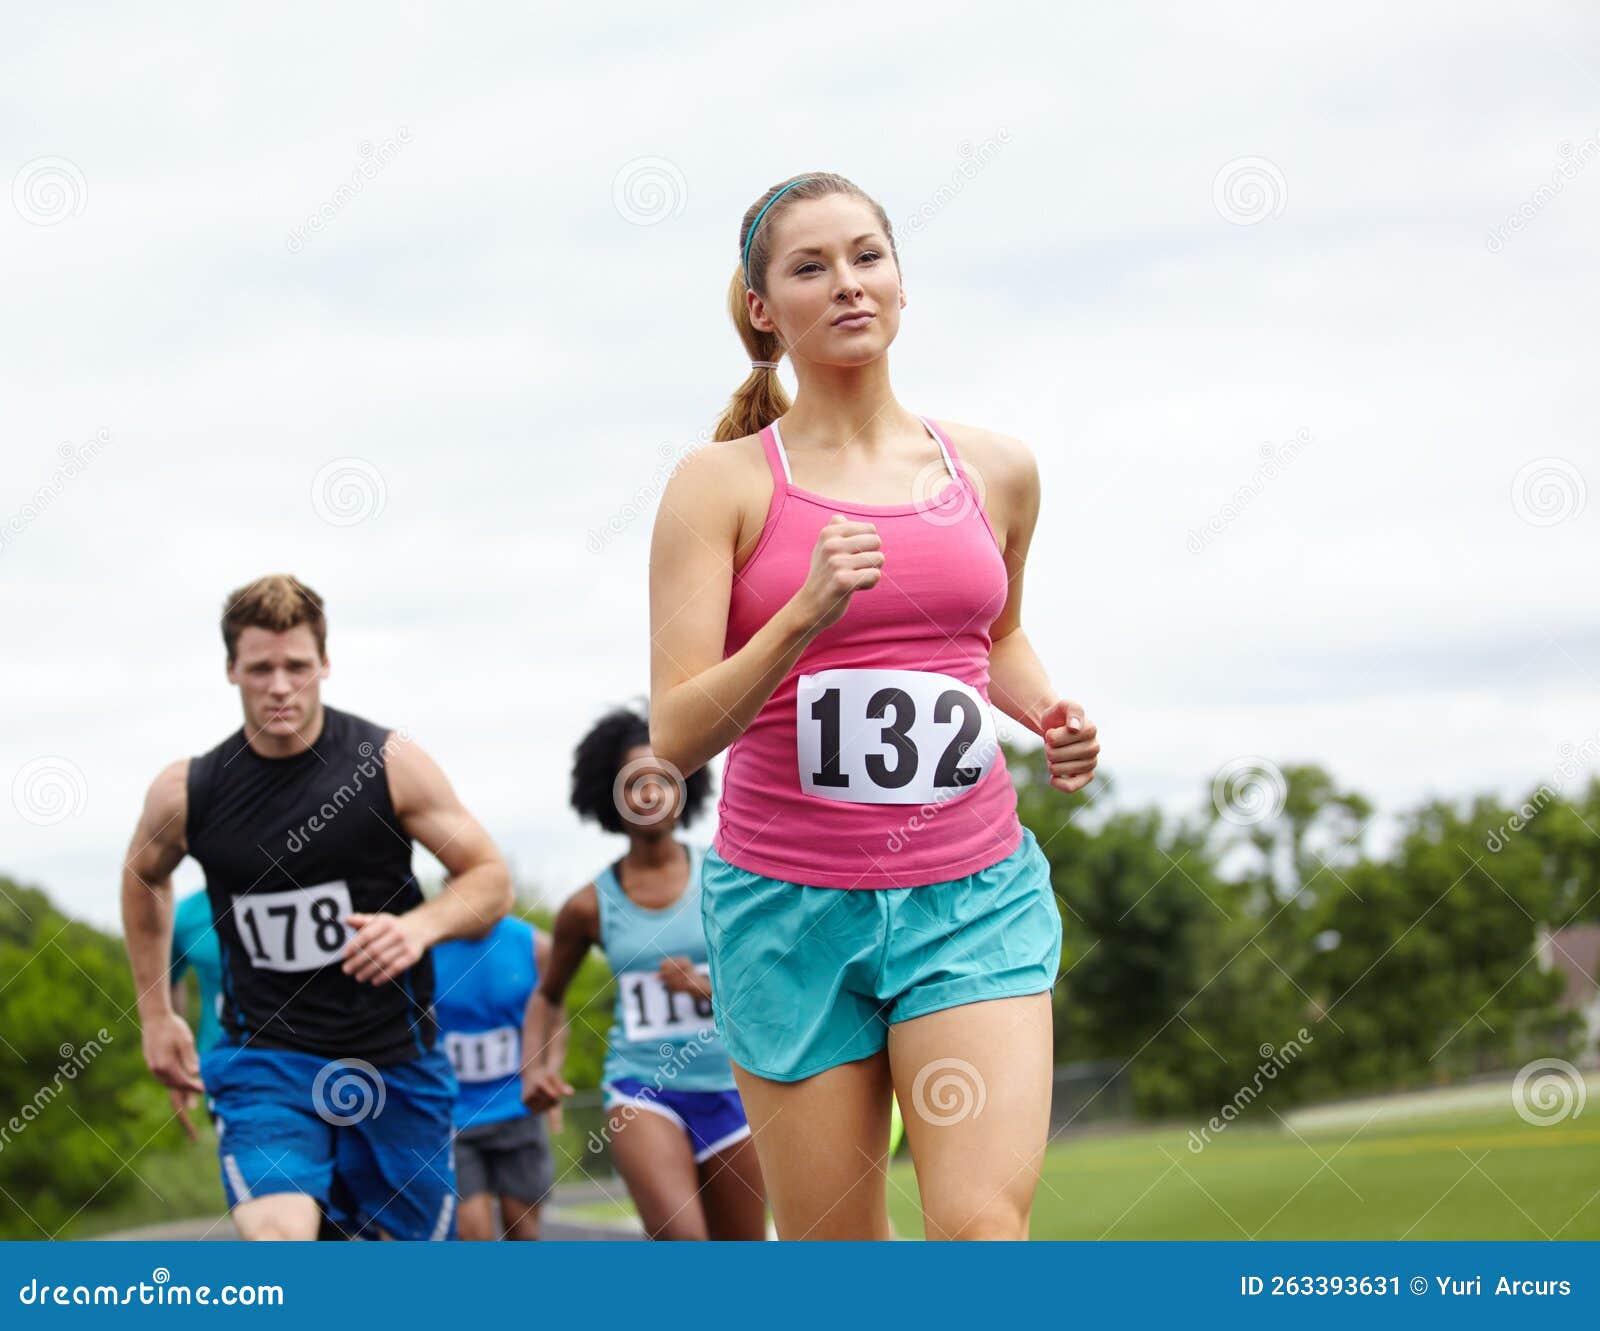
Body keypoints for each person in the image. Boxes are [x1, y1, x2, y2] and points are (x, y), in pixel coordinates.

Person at [646, 173, 1100, 1240]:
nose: (847, 283)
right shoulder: (717, 484)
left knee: (981, 1230)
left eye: (866, 255)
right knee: (835, 1253)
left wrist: (1049, 711)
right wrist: (799, 616)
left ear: (900, 278)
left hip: (968, 894)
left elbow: (992, 641)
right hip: (787, 910)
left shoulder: (993, 468)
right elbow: (676, 730)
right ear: (762, 308)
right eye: (810, 266)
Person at [121, 573, 514, 1241]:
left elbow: (489, 877)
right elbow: (143, 878)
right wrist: (156, 1014)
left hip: (395, 1060)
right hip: (267, 1058)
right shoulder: (189, 790)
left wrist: (420, 926)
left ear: (325, 663)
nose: (280, 686)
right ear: (231, 670)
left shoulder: (389, 764)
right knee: (280, 1239)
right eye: (261, 668)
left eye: (297, 666)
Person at [523, 705, 767, 1240]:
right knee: (683, 1242)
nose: (651, 793)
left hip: (736, 1088)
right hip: (641, 1091)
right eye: (635, 781)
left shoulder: (728, 877)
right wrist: (539, 1064)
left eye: (664, 777)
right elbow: (548, 995)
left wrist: (704, 985)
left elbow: (773, 979)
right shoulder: (587, 906)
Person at [432, 916, 559, 1240]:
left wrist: (548, 1072)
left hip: (518, 1106)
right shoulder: (428, 947)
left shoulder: (535, 946)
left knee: (524, 1229)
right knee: (473, 1230)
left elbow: (555, 1019)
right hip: (455, 1115)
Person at [166, 885, 222, 1139]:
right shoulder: (185, 917)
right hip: (226, 1072)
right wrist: (179, 1060)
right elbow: (168, 980)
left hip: (324, 1060)